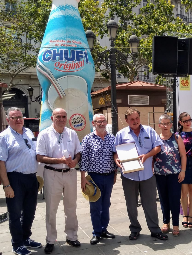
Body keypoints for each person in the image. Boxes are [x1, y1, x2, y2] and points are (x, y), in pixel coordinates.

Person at [114, 108, 168, 241]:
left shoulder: (149, 131)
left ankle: (155, 230)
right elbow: (115, 151)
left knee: (150, 204)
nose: (135, 121)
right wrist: (116, 159)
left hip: (147, 174)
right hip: (129, 176)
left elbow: (158, 147)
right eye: (131, 119)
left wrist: (147, 155)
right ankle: (134, 229)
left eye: (137, 118)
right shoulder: (121, 134)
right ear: (126, 120)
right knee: (131, 205)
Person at [36, 108, 82, 254]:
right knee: (51, 209)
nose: (61, 119)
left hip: (70, 174)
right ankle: (50, 239)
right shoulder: (44, 134)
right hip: (52, 174)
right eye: (58, 116)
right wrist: (59, 160)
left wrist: (75, 161)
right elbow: (40, 157)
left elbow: (78, 152)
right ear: (52, 118)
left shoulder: (72, 133)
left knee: (71, 207)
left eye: (63, 116)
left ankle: (71, 236)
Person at [0, 107, 42, 255]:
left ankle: (25, 238)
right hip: (15, 179)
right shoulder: (4, 137)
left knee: (30, 212)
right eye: (14, 117)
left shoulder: (28, 132)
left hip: (31, 178)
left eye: (20, 117)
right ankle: (17, 244)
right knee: (15, 214)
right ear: (8, 120)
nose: (18, 120)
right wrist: (6, 185)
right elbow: (1, 163)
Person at [80, 114, 117, 245]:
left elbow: (115, 156)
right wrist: (82, 178)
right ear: (93, 123)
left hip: (108, 176)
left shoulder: (112, 138)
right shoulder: (88, 138)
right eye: (98, 122)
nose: (101, 123)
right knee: (95, 206)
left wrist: (115, 174)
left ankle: (104, 229)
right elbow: (84, 159)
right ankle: (96, 232)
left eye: (103, 121)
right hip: (94, 177)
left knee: (106, 205)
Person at [154, 114, 186, 236]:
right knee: (163, 199)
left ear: (171, 125)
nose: (166, 126)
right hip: (160, 174)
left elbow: (183, 155)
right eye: (163, 124)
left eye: (168, 123)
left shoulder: (177, 137)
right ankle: (166, 222)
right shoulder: (156, 139)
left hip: (175, 174)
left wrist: (183, 171)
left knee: (174, 199)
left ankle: (176, 224)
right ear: (159, 125)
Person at [177, 112, 192, 228]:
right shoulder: (177, 134)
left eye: (189, 120)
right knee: (183, 192)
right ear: (180, 122)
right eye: (185, 121)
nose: (188, 122)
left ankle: (191, 216)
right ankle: (185, 215)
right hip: (182, 165)